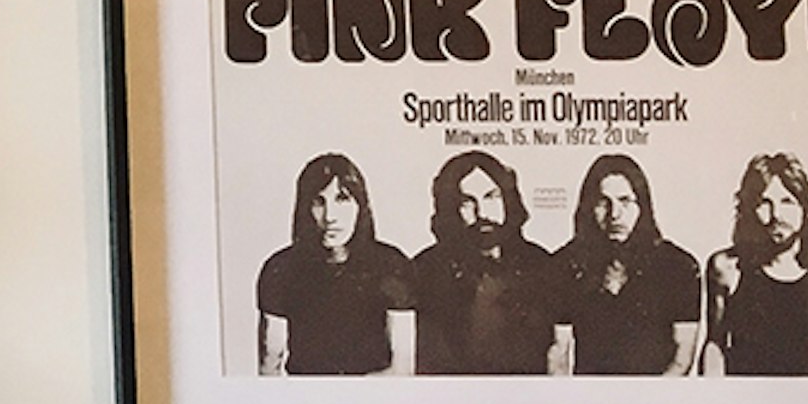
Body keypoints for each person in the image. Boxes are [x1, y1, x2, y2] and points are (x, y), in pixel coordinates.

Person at [404, 150, 565, 375]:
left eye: (492, 196)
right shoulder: (425, 268)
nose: (482, 212)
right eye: (467, 202)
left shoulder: (540, 265)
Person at [253, 153, 415, 376]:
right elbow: (270, 368)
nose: (330, 216)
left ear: (360, 205)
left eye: (342, 199)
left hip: (375, 401)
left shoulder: (392, 266)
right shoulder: (280, 270)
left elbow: (403, 370)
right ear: (305, 208)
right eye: (319, 202)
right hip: (307, 401)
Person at [702, 152, 808, 375]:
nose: (776, 215)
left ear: (807, 208)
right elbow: (714, 347)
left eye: (787, 202)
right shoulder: (727, 267)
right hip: (744, 402)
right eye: (764, 203)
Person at [555, 154, 702, 375]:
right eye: (603, 202)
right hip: (590, 399)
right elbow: (559, 352)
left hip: (655, 398)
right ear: (589, 207)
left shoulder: (679, 266)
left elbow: (682, 358)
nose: (615, 214)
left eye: (625, 201)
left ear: (642, 205)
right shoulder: (565, 264)